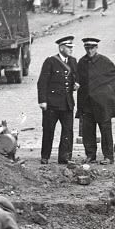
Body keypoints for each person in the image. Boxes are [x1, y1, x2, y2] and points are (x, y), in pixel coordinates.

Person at [74, 37, 115, 165]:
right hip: (87, 103)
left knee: (105, 130)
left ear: (96, 48)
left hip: (102, 104)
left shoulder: (105, 61)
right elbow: (77, 79)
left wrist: (108, 96)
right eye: (87, 48)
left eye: (92, 48)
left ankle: (108, 156)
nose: (89, 50)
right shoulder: (81, 62)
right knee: (87, 130)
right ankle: (90, 155)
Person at [36, 35, 79, 165]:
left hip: (67, 103)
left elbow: (75, 77)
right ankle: (45, 156)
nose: (71, 49)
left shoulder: (73, 61)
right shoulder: (50, 61)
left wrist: (76, 83)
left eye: (71, 47)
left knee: (68, 131)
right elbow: (42, 82)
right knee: (49, 130)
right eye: (68, 47)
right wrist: (42, 101)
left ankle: (64, 157)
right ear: (61, 48)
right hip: (52, 103)